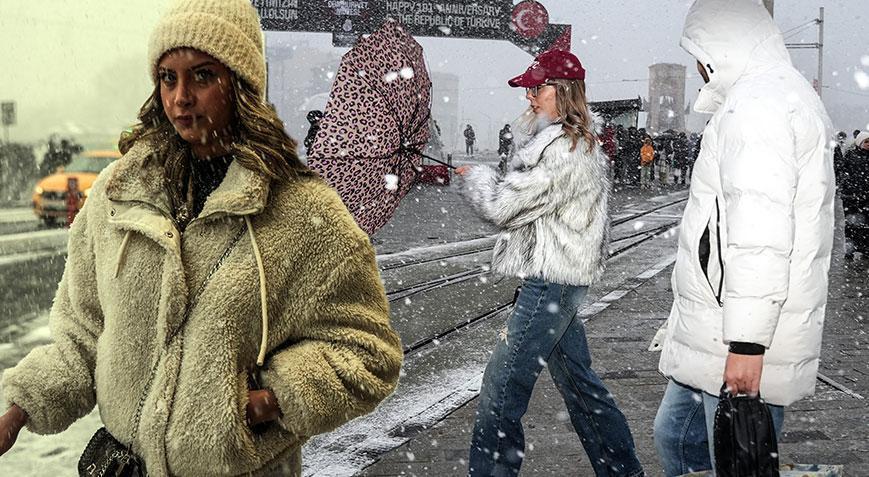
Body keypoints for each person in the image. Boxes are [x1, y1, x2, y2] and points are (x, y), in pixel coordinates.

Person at [0, 1, 403, 475]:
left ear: (241, 83)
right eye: (168, 78)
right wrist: (17, 411)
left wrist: (270, 400)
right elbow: (83, 338)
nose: (181, 97)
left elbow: (368, 352)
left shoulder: (305, 213)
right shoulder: (117, 196)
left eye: (203, 76)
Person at [652, 1, 835, 475]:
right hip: (720, 320)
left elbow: (761, 232)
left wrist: (748, 346)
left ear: (721, 43)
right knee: (678, 438)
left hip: (736, 331)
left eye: (699, 52)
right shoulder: (770, 93)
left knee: (732, 458)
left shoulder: (758, 104)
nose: (698, 66)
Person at [455, 48, 643, 477]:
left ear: (562, 91)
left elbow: (503, 206)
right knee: (580, 385)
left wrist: (477, 178)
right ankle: (623, 471)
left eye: (537, 88)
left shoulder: (564, 150)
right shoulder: (572, 143)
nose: (529, 96)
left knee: (501, 389)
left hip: (551, 282)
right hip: (562, 277)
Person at [840, 131, 869, 259]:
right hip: (851, 197)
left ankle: (865, 248)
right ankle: (850, 249)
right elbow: (843, 173)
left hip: (866, 197)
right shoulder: (850, 155)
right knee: (851, 224)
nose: (868, 144)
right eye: (866, 141)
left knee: (866, 225)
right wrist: (847, 189)